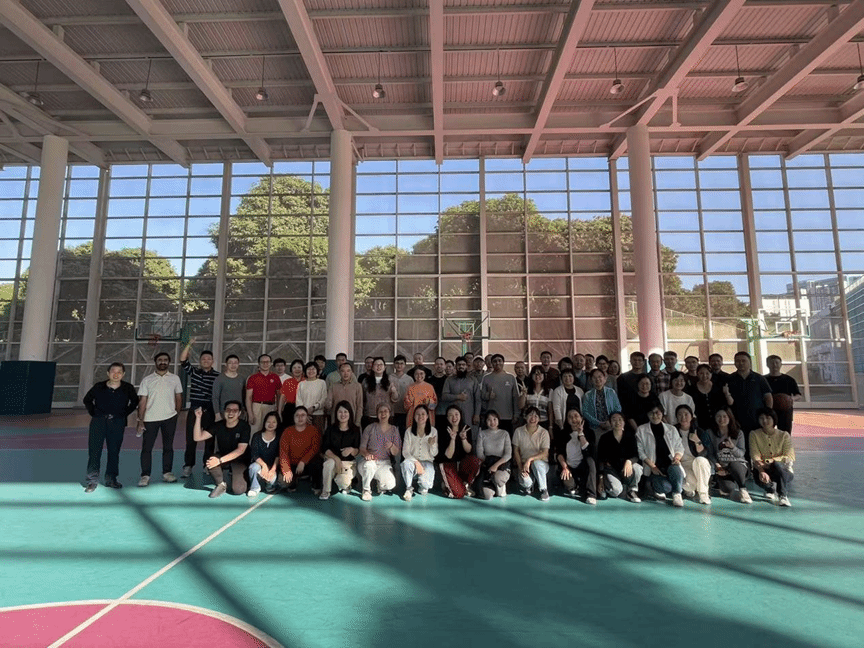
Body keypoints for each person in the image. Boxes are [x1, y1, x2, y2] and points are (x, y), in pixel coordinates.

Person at [82, 362, 139, 492]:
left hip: (117, 423)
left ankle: (111, 479)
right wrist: (94, 413)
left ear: (123, 374)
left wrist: (123, 414)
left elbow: (135, 402)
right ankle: (92, 481)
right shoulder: (99, 386)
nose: (116, 374)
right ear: (108, 373)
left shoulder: (128, 388)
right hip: (98, 423)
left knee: (114, 452)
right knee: (94, 452)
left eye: (119, 372)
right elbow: (87, 400)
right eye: (113, 371)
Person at [136, 352, 183, 487]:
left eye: (165, 360)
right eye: (160, 360)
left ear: (169, 362)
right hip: (150, 419)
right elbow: (142, 401)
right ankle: (145, 476)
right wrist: (140, 420)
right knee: (147, 448)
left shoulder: (175, 379)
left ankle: (167, 473)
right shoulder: (147, 380)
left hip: (169, 418)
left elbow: (178, 397)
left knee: (168, 447)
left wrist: (175, 414)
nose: (163, 362)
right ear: (155, 362)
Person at [192, 401, 250, 498]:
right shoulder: (218, 425)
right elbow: (197, 437)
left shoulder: (244, 427)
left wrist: (219, 461)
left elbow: (240, 450)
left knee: (238, 490)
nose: (231, 413)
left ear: (239, 413)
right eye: (228, 410)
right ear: (224, 412)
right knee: (210, 461)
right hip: (223, 455)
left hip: (240, 460)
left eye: (234, 410)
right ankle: (221, 485)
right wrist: (198, 418)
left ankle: (245, 476)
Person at [180, 338, 219, 479]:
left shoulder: (218, 376)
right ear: (200, 361)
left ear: (212, 361)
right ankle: (188, 466)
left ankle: (207, 465)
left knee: (210, 441)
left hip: (210, 412)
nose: (206, 361)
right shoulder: (194, 372)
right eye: (203, 359)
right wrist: (189, 344)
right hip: (194, 411)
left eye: (209, 359)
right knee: (191, 440)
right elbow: (183, 360)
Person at [636, 404, 686, 507]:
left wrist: (677, 457)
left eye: (657, 413)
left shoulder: (671, 429)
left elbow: (679, 447)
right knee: (666, 487)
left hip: (670, 465)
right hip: (654, 469)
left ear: (662, 413)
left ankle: (677, 494)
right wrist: (652, 466)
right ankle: (664, 488)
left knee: (676, 469)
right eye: (651, 413)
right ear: (647, 415)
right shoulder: (641, 429)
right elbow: (640, 452)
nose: (655, 416)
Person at [726, 351, 773, 449]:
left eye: (743, 361)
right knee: (740, 446)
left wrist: (768, 414)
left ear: (750, 362)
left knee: (757, 445)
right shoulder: (729, 379)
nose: (741, 363)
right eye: (738, 361)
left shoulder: (759, 378)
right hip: (736, 419)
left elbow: (768, 397)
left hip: (756, 418)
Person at [750, 407, 795, 507]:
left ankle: (783, 496)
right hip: (763, 468)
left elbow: (789, 456)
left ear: (774, 419)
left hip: (784, 470)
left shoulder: (784, 435)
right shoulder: (754, 434)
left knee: (777, 465)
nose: (764, 421)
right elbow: (755, 456)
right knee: (758, 477)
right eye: (761, 418)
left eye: (768, 418)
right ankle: (770, 489)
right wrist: (761, 471)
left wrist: (770, 461)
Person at [358, 402, 402, 500]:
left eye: (385, 411)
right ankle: (366, 490)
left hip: (384, 463)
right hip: (369, 462)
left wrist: (391, 446)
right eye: (380, 412)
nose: (383, 414)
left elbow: (396, 452)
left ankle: (379, 481)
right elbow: (362, 448)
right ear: (377, 414)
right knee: (370, 466)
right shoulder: (370, 428)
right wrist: (367, 454)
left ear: (389, 413)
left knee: (390, 484)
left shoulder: (394, 430)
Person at [708, 408, 752, 504]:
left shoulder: (738, 433)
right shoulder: (710, 433)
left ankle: (743, 489)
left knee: (734, 464)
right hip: (722, 467)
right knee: (727, 489)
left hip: (738, 465)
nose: (721, 419)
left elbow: (741, 453)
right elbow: (710, 453)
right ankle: (727, 482)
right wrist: (717, 465)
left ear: (730, 418)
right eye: (719, 416)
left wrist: (732, 447)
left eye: (725, 416)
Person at [319, 401, 361, 500]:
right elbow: (325, 448)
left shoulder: (355, 430)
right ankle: (326, 491)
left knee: (343, 483)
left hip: (348, 463)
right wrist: (336, 459)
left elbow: (357, 450)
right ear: (336, 414)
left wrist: (351, 450)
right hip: (333, 460)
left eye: (345, 412)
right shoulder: (330, 429)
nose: (343, 415)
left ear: (350, 413)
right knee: (328, 464)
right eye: (340, 412)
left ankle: (346, 483)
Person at [437, 405, 481, 499]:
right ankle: (447, 485)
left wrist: (463, 438)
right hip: (448, 464)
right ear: (447, 417)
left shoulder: (466, 428)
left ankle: (464, 484)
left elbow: (469, 450)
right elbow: (448, 456)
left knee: (475, 461)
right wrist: (452, 439)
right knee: (459, 494)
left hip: (461, 464)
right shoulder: (442, 430)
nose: (454, 418)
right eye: (451, 415)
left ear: (461, 415)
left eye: (456, 414)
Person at [597, 411, 642, 502]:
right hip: (611, 470)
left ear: (624, 422)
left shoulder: (630, 436)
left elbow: (636, 455)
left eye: (620, 420)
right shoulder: (604, 438)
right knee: (616, 491)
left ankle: (632, 490)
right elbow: (600, 459)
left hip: (625, 470)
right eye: (614, 420)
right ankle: (617, 488)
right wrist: (600, 479)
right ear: (610, 423)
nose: (617, 422)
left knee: (637, 468)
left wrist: (629, 461)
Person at [555, 409, 597, 504]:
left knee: (590, 461)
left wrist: (581, 433)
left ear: (582, 418)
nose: (574, 419)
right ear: (567, 420)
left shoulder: (589, 432)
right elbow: (559, 453)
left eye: (576, 416)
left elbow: (589, 452)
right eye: (570, 417)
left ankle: (591, 495)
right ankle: (574, 487)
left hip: (583, 467)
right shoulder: (563, 434)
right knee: (568, 482)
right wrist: (565, 467)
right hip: (569, 466)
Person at [674, 404, 712, 505]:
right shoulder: (673, 431)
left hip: (697, 462)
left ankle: (703, 494)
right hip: (682, 463)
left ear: (691, 416)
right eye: (680, 415)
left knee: (700, 460)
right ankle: (691, 489)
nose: (683, 417)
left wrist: (697, 441)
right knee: (690, 486)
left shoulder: (699, 431)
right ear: (676, 417)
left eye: (686, 414)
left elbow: (704, 453)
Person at [279, 406, 323, 493]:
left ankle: (315, 483)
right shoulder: (287, 431)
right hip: (293, 464)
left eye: (303, 415)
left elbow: (315, 448)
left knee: (318, 462)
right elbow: (283, 453)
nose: (300, 418)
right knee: (283, 483)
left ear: (307, 417)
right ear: (293, 417)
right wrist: (286, 470)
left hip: (307, 463)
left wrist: (303, 461)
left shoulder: (314, 430)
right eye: (297, 415)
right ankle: (295, 479)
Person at [512, 406, 551, 501]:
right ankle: (530, 485)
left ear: (539, 419)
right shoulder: (518, 431)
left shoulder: (544, 432)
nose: (533, 418)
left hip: (540, 464)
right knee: (525, 482)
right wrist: (520, 467)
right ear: (525, 417)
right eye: (530, 415)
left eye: (536, 416)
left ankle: (544, 489)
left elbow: (545, 453)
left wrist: (530, 460)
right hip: (524, 464)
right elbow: (516, 450)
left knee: (537, 464)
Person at [401, 405, 438, 500]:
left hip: (427, 463)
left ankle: (421, 483)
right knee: (406, 464)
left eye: (423, 414)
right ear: (414, 417)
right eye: (418, 414)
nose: (420, 416)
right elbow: (405, 452)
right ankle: (409, 488)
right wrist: (416, 462)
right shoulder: (409, 431)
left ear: (427, 416)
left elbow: (434, 454)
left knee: (425, 487)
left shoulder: (433, 431)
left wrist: (432, 444)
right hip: (413, 461)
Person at [474, 410, 512, 499]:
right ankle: (492, 486)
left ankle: (500, 486)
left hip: (502, 465)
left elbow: (508, 454)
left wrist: (495, 465)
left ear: (498, 420)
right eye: (489, 420)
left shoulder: (504, 433)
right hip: (487, 465)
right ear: (485, 421)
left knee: (498, 478)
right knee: (486, 496)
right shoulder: (482, 434)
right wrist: (488, 465)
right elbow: (480, 453)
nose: (492, 422)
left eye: (494, 419)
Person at [480, 354, 521, 433]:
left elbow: (515, 397)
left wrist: (516, 414)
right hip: (492, 417)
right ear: (492, 363)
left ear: (503, 362)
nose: (497, 363)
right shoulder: (486, 378)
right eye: (495, 361)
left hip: (507, 416)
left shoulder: (511, 377)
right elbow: (482, 396)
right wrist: (488, 395)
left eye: (499, 361)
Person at [685, 363, 731, 431]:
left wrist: (727, 393)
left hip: (718, 422)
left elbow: (730, 403)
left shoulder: (718, 386)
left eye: (707, 373)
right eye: (701, 373)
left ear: (711, 374)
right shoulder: (691, 389)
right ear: (697, 374)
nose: (704, 376)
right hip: (700, 424)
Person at [764, 355, 802, 434]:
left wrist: (791, 399)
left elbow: (798, 395)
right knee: (767, 434)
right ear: (767, 364)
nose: (774, 365)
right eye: (772, 363)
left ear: (781, 364)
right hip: (768, 410)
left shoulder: (789, 379)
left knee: (785, 434)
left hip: (785, 411)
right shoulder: (763, 380)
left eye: (777, 363)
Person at [441, 356, 481, 429]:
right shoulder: (449, 380)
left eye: (463, 365)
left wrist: (477, 414)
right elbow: (444, 396)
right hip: (454, 415)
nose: (461, 366)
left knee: (469, 433)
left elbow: (478, 399)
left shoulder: (473, 380)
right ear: (456, 366)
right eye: (459, 365)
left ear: (467, 366)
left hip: (469, 414)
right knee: (454, 433)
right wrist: (458, 396)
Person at [245, 354, 281, 434]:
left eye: (267, 362)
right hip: (256, 406)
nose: (265, 364)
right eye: (263, 362)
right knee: (254, 430)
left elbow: (279, 396)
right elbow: (248, 397)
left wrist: (278, 410)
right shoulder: (252, 377)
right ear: (259, 364)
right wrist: (250, 414)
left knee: (269, 430)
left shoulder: (275, 377)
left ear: (270, 363)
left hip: (270, 406)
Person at [247, 411, 281, 497]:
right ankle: (254, 488)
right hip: (259, 465)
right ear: (264, 422)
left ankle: (269, 486)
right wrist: (264, 466)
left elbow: (278, 455)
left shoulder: (279, 437)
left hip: (272, 467)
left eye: (274, 422)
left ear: (277, 424)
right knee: (253, 468)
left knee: (272, 480)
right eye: (268, 422)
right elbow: (254, 454)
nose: (271, 424)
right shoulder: (257, 436)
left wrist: (272, 470)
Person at [581, 368, 622, 436]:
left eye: (600, 377)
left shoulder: (611, 392)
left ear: (605, 379)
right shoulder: (587, 395)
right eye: (594, 377)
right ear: (591, 380)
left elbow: (617, 408)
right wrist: (599, 423)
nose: (597, 379)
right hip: (595, 428)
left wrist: (610, 421)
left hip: (611, 426)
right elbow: (585, 412)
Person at [362, 357, 399, 429]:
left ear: (385, 367)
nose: (378, 366)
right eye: (376, 364)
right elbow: (363, 399)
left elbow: (395, 399)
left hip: (386, 415)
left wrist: (394, 392)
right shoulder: (366, 381)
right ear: (372, 367)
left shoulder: (392, 380)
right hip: (370, 415)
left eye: (381, 364)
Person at [325, 361, 363, 427]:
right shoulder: (333, 386)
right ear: (339, 372)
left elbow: (359, 406)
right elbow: (328, 403)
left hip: (352, 421)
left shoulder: (357, 386)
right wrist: (328, 404)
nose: (345, 373)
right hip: (336, 421)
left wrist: (357, 422)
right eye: (343, 371)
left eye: (348, 371)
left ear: (352, 372)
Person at [296, 361, 328, 433]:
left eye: (313, 369)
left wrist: (314, 407)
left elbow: (324, 399)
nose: (311, 371)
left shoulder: (322, 383)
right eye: (309, 369)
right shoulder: (301, 384)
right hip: (303, 416)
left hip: (318, 415)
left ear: (317, 371)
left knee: (318, 435)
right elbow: (298, 400)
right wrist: (304, 413)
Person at [551, 368, 585, 435]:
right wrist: (561, 426)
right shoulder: (557, 391)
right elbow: (556, 409)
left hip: (578, 423)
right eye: (565, 376)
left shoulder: (580, 391)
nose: (567, 378)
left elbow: (583, 408)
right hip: (564, 423)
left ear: (574, 378)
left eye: (570, 376)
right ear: (561, 378)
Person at [212, 354, 244, 421]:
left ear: (238, 364)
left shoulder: (242, 379)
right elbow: (215, 398)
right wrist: (217, 414)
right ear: (226, 365)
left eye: (235, 363)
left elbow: (244, 397)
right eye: (230, 363)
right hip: (224, 414)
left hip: (238, 414)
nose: (233, 365)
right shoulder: (219, 379)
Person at [521, 365, 552, 430]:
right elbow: (521, 406)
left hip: (543, 422)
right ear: (531, 376)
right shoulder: (526, 389)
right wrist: (523, 394)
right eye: (535, 374)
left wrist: (550, 426)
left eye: (540, 374)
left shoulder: (549, 391)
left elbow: (550, 410)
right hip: (528, 422)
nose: (537, 377)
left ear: (544, 376)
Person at [277, 359, 305, 428]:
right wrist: (279, 412)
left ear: (303, 369)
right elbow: (282, 398)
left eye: (299, 367)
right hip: (289, 408)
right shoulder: (287, 382)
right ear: (291, 370)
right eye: (294, 368)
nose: (297, 369)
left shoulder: (306, 381)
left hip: (303, 407)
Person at [390, 355, 414, 431]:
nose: (399, 365)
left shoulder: (409, 379)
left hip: (405, 411)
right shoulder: (389, 378)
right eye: (397, 363)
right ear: (394, 365)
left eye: (401, 363)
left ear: (405, 365)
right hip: (391, 411)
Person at [427, 356, 449, 432]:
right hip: (432, 412)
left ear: (445, 366)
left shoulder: (448, 380)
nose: (439, 366)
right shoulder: (428, 380)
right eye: (437, 364)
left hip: (446, 412)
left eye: (441, 364)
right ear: (434, 366)